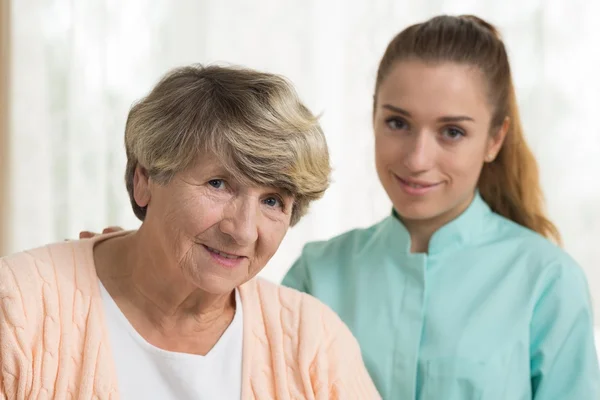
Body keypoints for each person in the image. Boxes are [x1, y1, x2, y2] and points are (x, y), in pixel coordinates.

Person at [0, 65, 380, 399]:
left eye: (272, 201)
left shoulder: (314, 341)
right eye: (218, 184)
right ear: (144, 180)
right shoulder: (17, 307)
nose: (243, 232)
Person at [282, 15, 600, 399]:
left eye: (452, 132)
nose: (417, 159)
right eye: (398, 123)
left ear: (494, 140)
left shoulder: (548, 281)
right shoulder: (317, 275)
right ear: (373, 117)